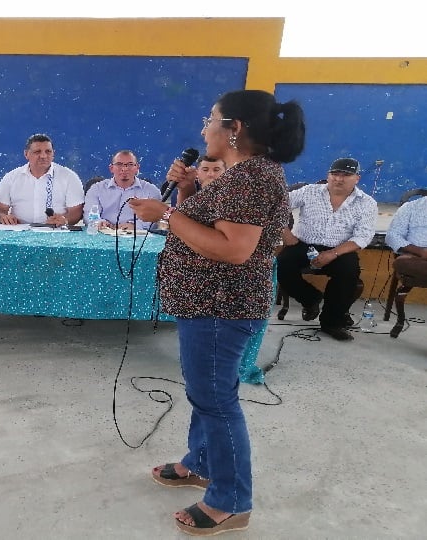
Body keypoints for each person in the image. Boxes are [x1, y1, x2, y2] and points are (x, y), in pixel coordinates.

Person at [129, 90, 306, 535]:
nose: (204, 127)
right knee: (206, 392)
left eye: (211, 118)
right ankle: (201, 463)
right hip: (209, 306)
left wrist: (167, 214)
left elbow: (235, 250)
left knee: (216, 400)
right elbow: (213, 226)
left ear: (235, 128)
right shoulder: (243, 174)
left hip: (220, 308)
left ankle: (231, 500)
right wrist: (187, 191)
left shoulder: (250, 178)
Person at [277, 158, 377, 341]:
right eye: (335, 174)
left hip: (339, 249)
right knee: (281, 266)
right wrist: (285, 233)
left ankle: (332, 323)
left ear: (357, 178)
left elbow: (363, 236)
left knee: (348, 272)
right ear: (328, 176)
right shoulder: (310, 192)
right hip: (303, 244)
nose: (339, 179)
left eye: (345, 175)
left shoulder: (366, 203)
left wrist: (333, 253)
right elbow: (275, 205)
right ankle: (311, 299)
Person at [0, 134, 84, 227]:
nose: (43, 156)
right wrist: (3, 217)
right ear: (26, 154)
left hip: (56, 232)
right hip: (19, 232)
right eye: (37, 152)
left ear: (53, 154)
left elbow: (77, 211)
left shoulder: (69, 177)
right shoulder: (11, 177)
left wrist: (65, 220)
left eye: (48, 151)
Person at [82, 150, 161, 230]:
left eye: (130, 164)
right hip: (103, 234)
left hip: (137, 236)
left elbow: (156, 218)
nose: (124, 168)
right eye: (119, 164)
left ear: (137, 168)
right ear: (111, 168)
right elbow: (89, 214)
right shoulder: (96, 189)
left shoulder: (151, 191)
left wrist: (135, 226)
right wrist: (99, 222)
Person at [385, 191, 427, 287]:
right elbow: (392, 236)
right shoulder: (410, 207)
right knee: (402, 263)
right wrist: (421, 252)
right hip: (417, 258)